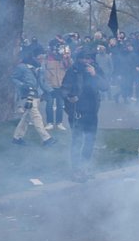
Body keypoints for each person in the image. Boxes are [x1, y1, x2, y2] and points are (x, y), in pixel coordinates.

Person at [62, 50, 107, 180]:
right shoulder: (73, 71)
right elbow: (64, 89)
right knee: (77, 141)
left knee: (90, 141)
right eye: (84, 59)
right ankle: (76, 170)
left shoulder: (96, 70)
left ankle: (85, 168)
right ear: (79, 59)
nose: (87, 62)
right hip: (77, 111)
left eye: (89, 59)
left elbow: (105, 86)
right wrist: (70, 98)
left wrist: (95, 75)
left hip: (92, 111)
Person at [11, 50, 55, 147]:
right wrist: (22, 85)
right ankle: (47, 138)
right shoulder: (21, 67)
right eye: (40, 58)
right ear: (34, 57)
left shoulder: (39, 68)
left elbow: (42, 82)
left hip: (36, 95)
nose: (42, 60)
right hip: (27, 96)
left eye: (43, 58)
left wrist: (50, 90)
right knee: (36, 117)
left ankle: (16, 138)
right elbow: (14, 78)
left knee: (26, 118)